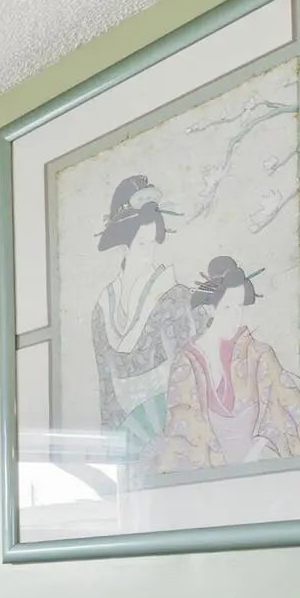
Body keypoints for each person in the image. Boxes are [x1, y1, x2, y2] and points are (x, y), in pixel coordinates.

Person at [154, 257, 300, 471]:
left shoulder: (259, 355)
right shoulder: (187, 361)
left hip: (260, 466)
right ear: (210, 309)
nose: (235, 315)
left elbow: (289, 406)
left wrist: (260, 446)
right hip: (206, 473)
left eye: (239, 306)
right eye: (227, 307)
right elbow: (181, 426)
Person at [88, 175, 198, 460]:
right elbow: (106, 385)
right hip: (126, 428)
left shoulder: (174, 296)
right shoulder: (103, 306)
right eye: (141, 244)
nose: (148, 253)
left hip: (168, 419)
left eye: (151, 243)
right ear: (124, 247)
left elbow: (187, 373)